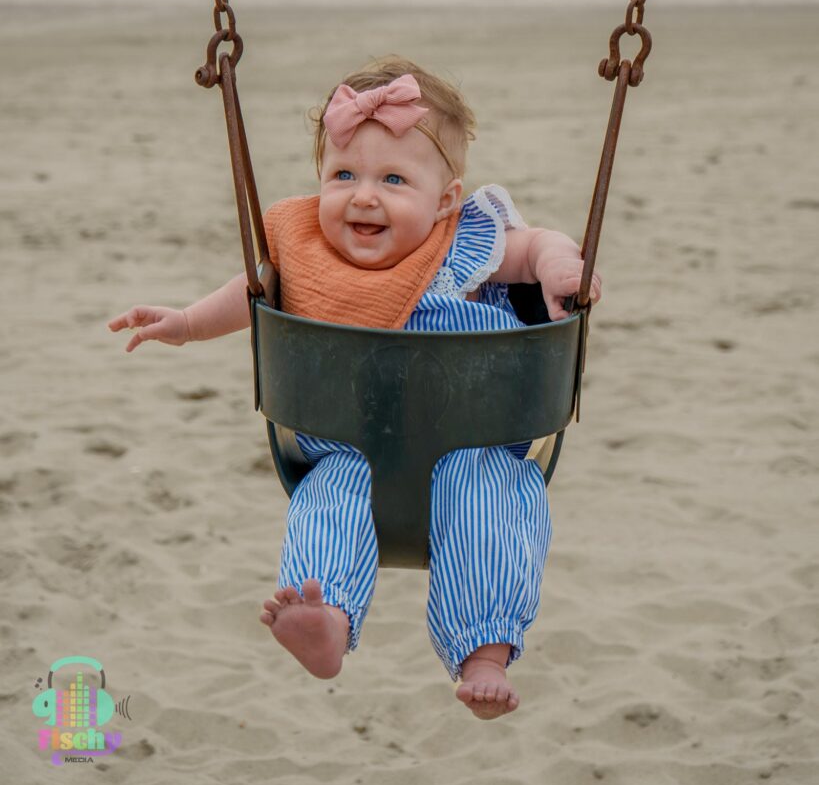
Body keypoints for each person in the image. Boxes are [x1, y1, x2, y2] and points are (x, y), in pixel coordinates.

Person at [109, 56, 600, 720]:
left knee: (490, 505)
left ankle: (482, 653)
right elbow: (256, 288)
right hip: (351, 443)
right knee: (328, 501)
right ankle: (326, 617)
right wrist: (187, 323)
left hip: (472, 439)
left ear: (445, 200)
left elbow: (539, 243)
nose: (363, 195)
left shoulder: (469, 240)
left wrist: (560, 268)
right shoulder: (306, 240)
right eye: (343, 175)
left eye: (394, 179)